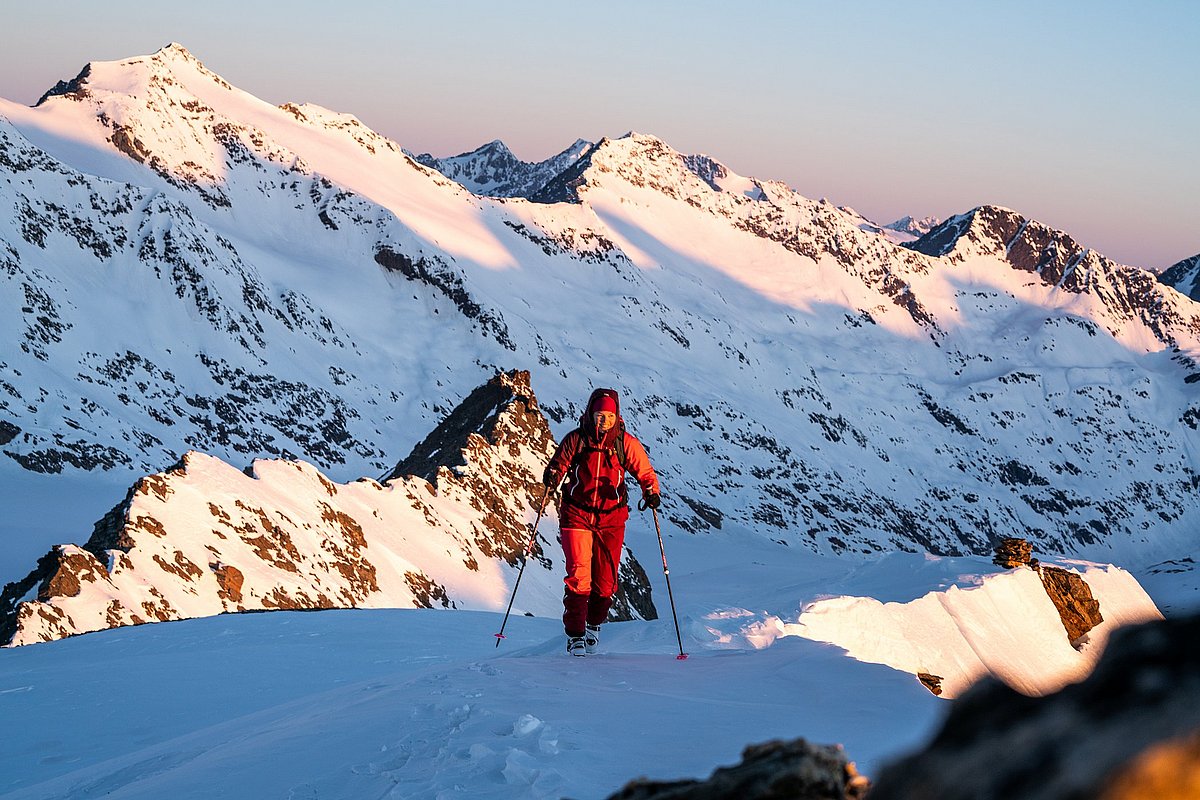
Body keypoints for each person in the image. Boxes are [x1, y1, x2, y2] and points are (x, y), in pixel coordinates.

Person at [543, 388, 660, 656]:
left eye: (607, 416)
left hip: (612, 518)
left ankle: (593, 624)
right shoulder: (577, 440)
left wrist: (651, 492)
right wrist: (551, 476)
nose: (602, 421)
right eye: (598, 415)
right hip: (576, 514)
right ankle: (575, 635)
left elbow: (645, 471)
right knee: (579, 577)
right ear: (590, 413)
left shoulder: (624, 443)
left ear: (615, 416)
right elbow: (558, 464)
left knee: (605, 583)